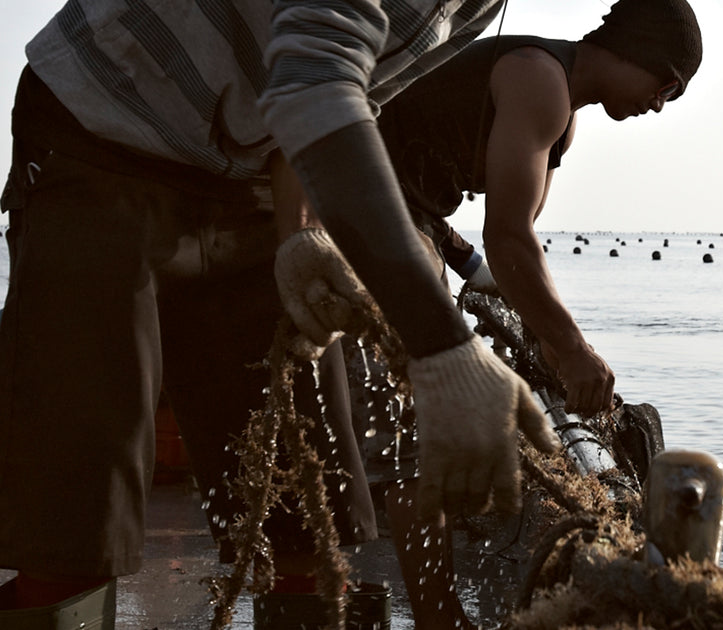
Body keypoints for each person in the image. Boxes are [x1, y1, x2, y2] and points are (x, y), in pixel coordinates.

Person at [0, 0, 557, 626]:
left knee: (311, 501)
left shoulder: (479, 6)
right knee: (76, 507)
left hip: (248, 171)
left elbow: (344, 95)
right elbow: (316, 88)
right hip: (105, 126)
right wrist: (443, 346)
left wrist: (298, 235)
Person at [367, 1, 702, 626]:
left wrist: (481, 278)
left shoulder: (564, 115)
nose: (659, 105)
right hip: (360, 215)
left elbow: (500, 244)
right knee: (417, 433)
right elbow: (510, 237)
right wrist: (571, 347)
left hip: (408, 223)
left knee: (426, 424)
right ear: (639, 53)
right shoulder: (537, 78)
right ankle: (438, 619)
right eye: (666, 89)